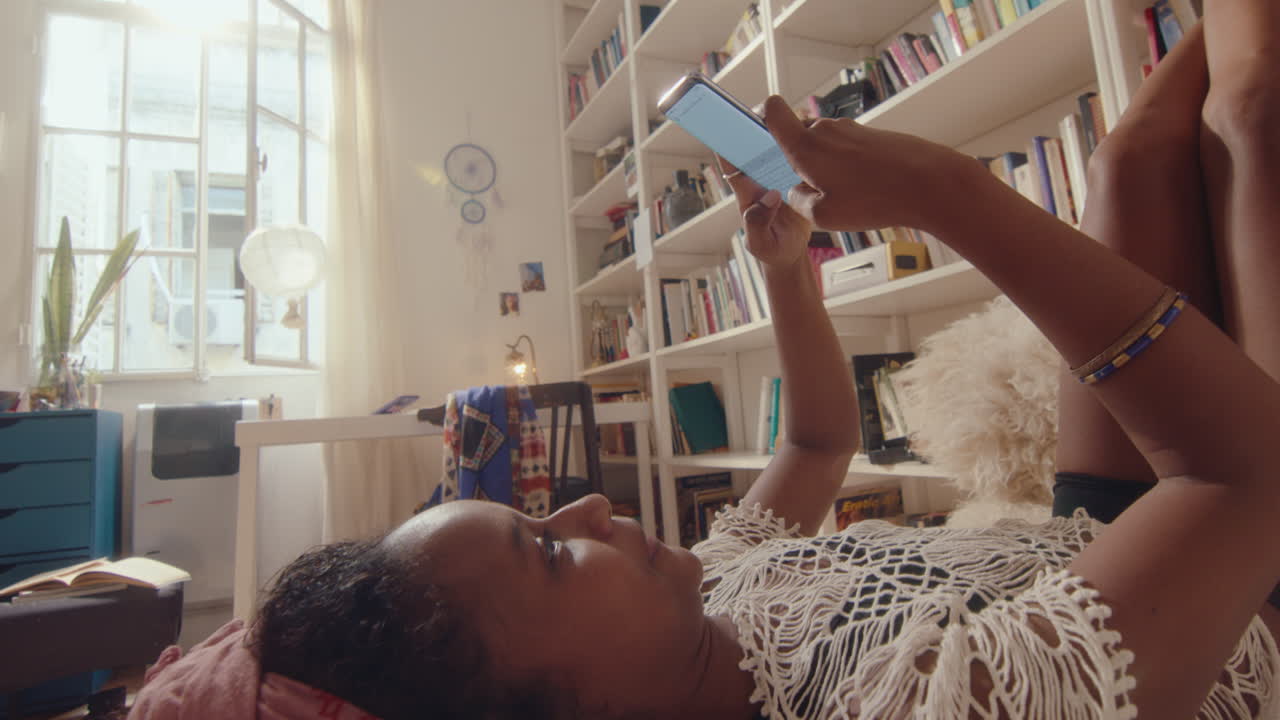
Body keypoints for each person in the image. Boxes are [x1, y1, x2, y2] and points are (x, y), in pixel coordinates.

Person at [129, 6, 1280, 719]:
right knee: (1252, 108)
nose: (584, 505)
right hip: (1239, 565)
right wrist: (943, 192)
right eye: (545, 553)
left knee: (1130, 155)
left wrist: (781, 270)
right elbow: (1242, 477)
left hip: (1090, 535)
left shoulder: (718, 600)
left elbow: (818, 443)